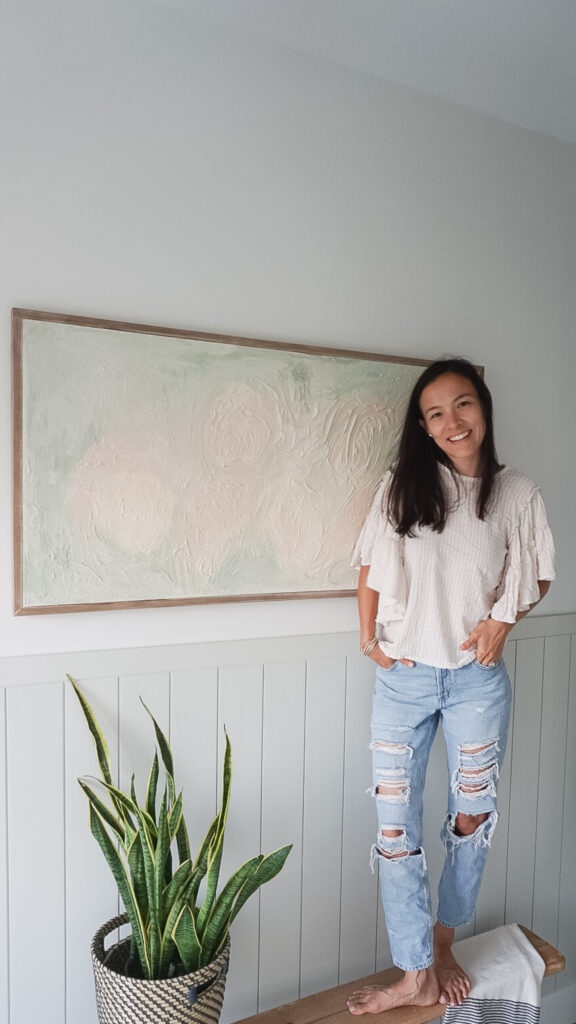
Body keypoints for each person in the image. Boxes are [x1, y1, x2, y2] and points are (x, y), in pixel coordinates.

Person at [347, 358, 555, 1014]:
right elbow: (370, 570)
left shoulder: (516, 492)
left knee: (471, 820)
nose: (452, 422)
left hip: (476, 681)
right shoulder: (403, 485)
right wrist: (367, 638)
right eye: (436, 413)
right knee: (393, 831)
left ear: (484, 408)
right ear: (423, 426)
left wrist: (503, 621)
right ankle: (413, 972)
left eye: (462, 405)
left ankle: (441, 946)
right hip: (404, 679)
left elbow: (537, 576)